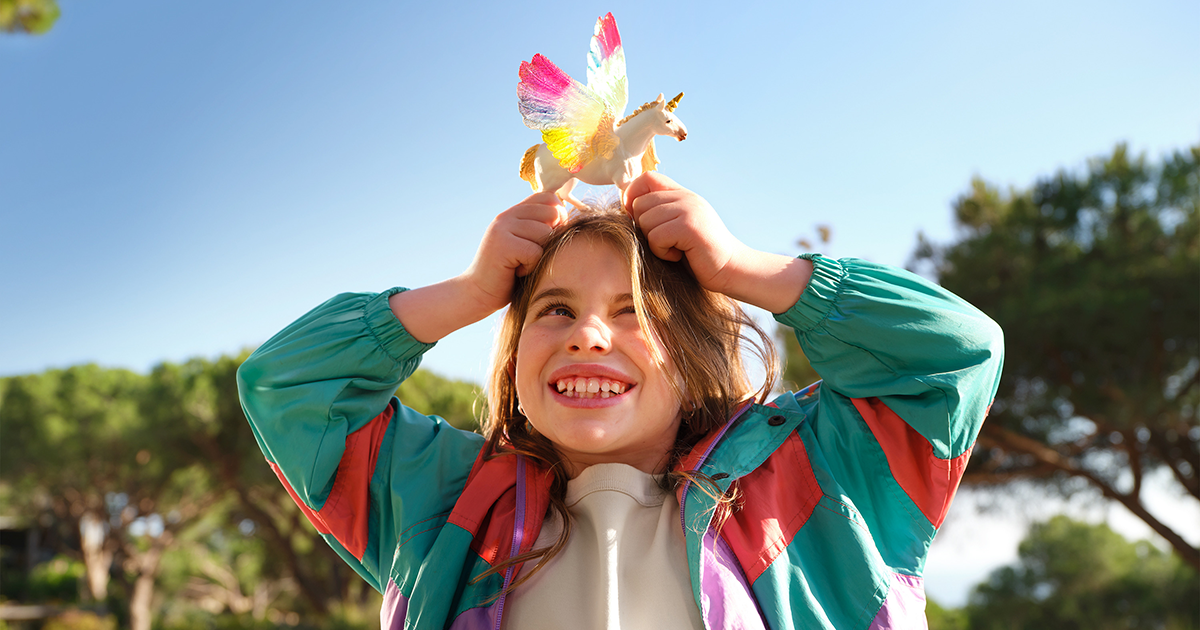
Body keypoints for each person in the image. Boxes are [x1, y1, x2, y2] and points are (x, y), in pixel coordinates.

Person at [237, 171, 1004, 629]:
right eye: (555, 310)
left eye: (634, 310)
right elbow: (287, 385)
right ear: (514, 358)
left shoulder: (820, 479)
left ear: (695, 352)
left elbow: (951, 354)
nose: (588, 336)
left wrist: (740, 267)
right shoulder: (439, 506)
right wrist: (470, 292)